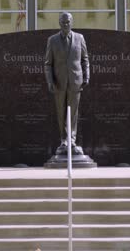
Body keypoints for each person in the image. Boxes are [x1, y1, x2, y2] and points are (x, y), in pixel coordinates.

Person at [44, 12, 89, 155]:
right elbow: (48, 64)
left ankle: (72, 140)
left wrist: (86, 76)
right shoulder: (52, 40)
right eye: (63, 22)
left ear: (72, 22)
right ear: (59, 23)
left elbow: (84, 59)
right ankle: (63, 140)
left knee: (73, 113)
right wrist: (50, 81)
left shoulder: (79, 38)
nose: (66, 24)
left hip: (75, 82)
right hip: (59, 83)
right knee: (61, 112)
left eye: (68, 22)